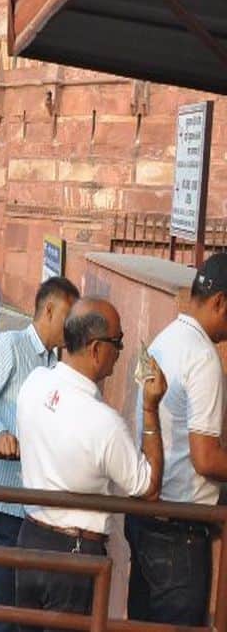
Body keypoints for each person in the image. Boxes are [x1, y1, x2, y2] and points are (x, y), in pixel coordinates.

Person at [17, 299, 166, 629]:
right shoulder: (104, 423)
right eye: (118, 342)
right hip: (74, 553)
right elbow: (149, 487)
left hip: (30, 540)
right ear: (97, 349)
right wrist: (150, 409)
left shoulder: (34, 383)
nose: (122, 350)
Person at [0, 275, 79, 631]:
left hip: (34, 503)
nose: (72, 326)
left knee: (25, 606)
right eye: (68, 316)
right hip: (5, 495)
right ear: (48, 310)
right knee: (4, 602)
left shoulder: (57, 366)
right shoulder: (11, 346)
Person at [127, 253, 227, 626]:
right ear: (220, 302)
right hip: (179, 527)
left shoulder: (163, 336)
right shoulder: (203, 357)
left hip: (147, 516)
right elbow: (206, 458)